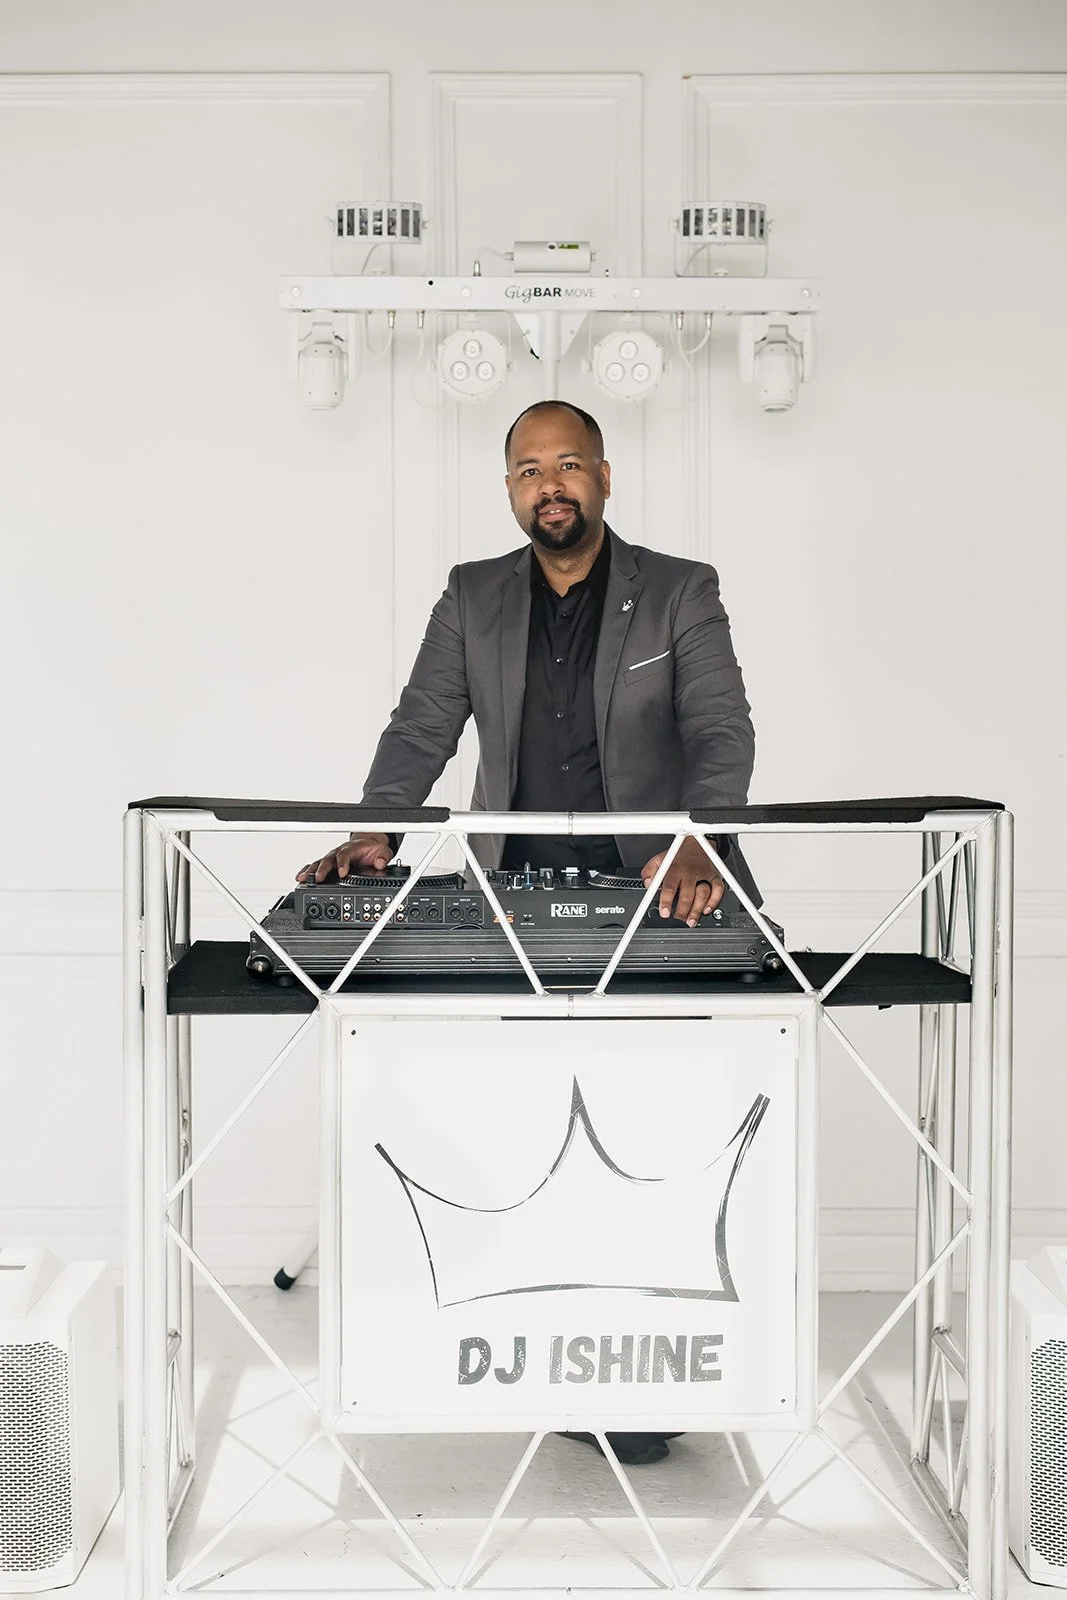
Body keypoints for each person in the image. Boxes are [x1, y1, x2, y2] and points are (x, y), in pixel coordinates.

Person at [298, 399, 756, 1466]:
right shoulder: (471, 596)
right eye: (527, 470)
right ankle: (535, 1349)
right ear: (510, 488)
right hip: (516, 910)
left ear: (604, 476)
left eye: (567, 465)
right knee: (526, 1132)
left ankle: (651, 1382)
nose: (549, 485)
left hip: (658, 900)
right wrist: (375, 832)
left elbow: (718, 729)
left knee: (649, 1138)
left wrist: (697, 841)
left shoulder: (680, 590)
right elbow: (421, 725)